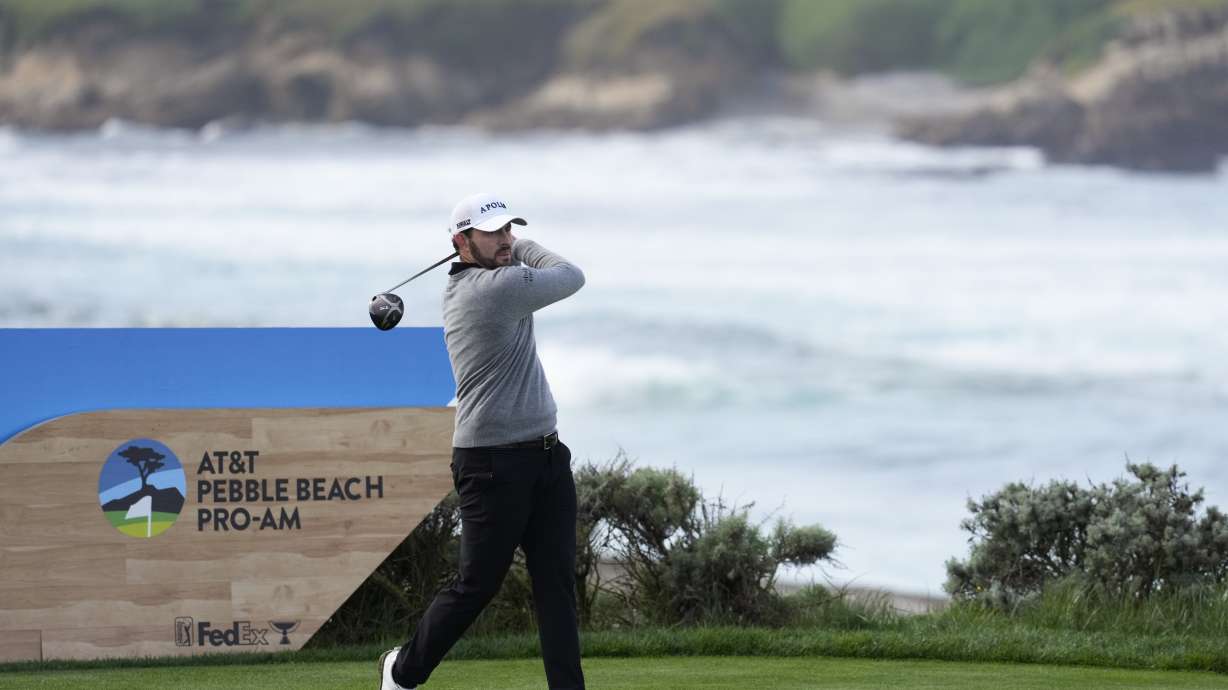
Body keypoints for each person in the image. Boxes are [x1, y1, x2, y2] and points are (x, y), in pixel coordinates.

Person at [380, 192, 586, 689]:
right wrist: (525, 247)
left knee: (556, 586)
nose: (507, 239)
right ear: (461, 242)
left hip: (545, 455)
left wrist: (507, 248)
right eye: (494, 232)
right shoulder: (491, 290)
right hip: (492, 464)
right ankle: (402, 672)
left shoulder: (493, 280)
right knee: (476, 586)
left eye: (510, 230)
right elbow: (570, 275)